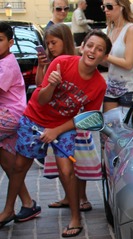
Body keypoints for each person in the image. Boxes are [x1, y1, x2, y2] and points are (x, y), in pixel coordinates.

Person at [0, 31, 111, 237]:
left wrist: (56, 131)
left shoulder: (99, 85)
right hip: (34, 119)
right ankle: (8, 210)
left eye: (99, 49)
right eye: (90, 45)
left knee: (66, 169)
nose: (93, 51)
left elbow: (85, 119)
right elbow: (41, 100)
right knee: (19, 166)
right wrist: (51, 83)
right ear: (82, 47)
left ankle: (75, 218)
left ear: (104, 57)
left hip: (64, 125)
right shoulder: (62, 62)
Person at [36, 24, 99, 213]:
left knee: (78, 159)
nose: (50, 47)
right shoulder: (53, 62)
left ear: (66, 41)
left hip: (74, 121)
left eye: (54, 43)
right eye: (48, 44)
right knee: (63, 162)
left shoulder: (75, 63)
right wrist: (42, 66)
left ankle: (82, 197)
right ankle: (68, 196)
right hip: (55, 119)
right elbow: (40, 86)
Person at [0, 22, 39, 228]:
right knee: (9, 163)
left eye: (0, 40)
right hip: (7, 117)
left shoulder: (6, 63)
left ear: (10, 42)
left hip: (10, 115)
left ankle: (7, 210)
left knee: (13, 165)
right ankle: (27, 203)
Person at [102, 0, 133, 112]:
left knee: (127, 129)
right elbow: (108, 63)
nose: (106, 9)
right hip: (111, 88)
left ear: (121, 7)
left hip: (130, 89)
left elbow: (128, 63)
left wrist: (105, 56)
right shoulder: (109, 29)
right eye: (104, 7)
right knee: (109, 127)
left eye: (109, 6)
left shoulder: (131, 29)